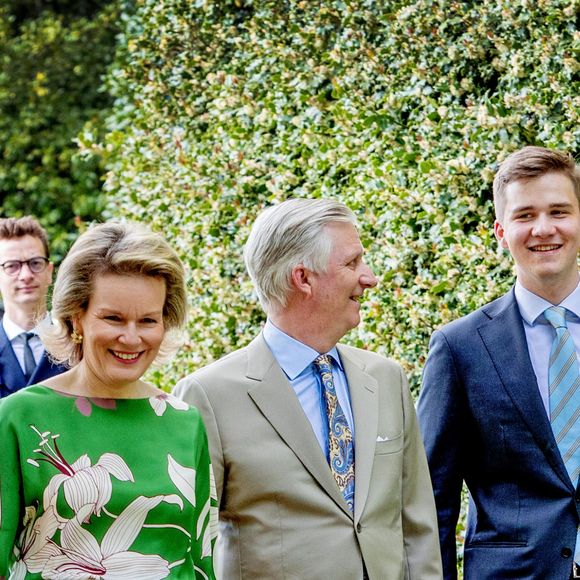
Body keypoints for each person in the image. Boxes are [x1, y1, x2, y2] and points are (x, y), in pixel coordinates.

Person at [174, 198, 442, 580]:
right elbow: (192, 545)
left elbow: (417, 526)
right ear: (303, 278)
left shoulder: (386, 378)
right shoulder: (208, 395)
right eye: (352, 263)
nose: (369, 277)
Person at [0, 222, 216, 579]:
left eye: (148, 320)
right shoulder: (17, 418)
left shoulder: (185, 421)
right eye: (113, 318)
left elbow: (202, 560)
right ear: (76, 317)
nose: (131, 338)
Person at [418, 146, 580, 580]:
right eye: (524, 215)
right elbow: (431, 499)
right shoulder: (459, 347)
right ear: (500, 230)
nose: (543, 229)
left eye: (559, 211)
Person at [0, 216, 66, 397]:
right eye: (11, 266)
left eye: (35, 263)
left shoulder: (77, 345)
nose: (26, 275)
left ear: (50, 271)